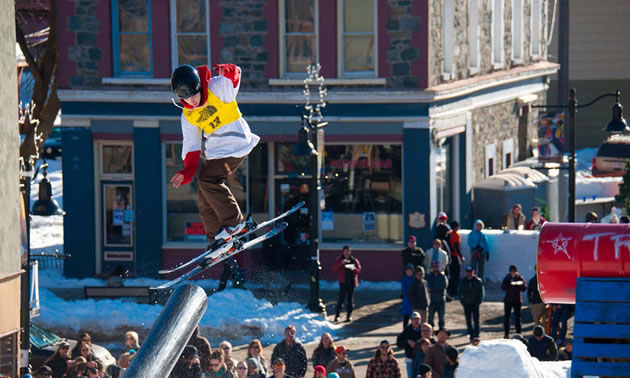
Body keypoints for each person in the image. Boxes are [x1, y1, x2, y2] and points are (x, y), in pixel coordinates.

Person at [169, 63, 259, 284]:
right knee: (204, 192)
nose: (192, 102)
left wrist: (226, 70)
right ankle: (216, 241)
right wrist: (186, 172)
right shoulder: (188, 115)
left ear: (200, 86)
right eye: (186, 100)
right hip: (216, 153)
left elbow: (236, 75)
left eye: (194, 96)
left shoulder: (218, 88)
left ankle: (235, 222)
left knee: (208, 180)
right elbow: (191, 147)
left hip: (237, 145)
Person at [333, 246, 361, 323]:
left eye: (348, 251)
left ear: (350, 252)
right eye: (345, 251)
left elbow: (358, 271)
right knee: (341, 299)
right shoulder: (339, 259)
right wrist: (341, 263)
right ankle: (337, 315)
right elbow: (335, 268)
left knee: (350, 300)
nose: (346, 253)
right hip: (343, 282)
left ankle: (349, 315)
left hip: (351, 282)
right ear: (343, 252)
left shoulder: (354, 260)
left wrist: (353, 268)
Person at [458, 265, 484, 340]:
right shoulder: (463, 281)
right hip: (466, 303)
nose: (469, 274)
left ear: (473, 272)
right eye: (468, 272)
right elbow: (459, 292)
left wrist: (479, 302)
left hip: (475, 303)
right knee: (468, 319)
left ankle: (477, 333)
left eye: (470, 272)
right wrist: (462, 301)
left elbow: (481, 292)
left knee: (476, 319)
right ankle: (470, 332)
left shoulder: (477, 281)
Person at [502, 265, 527, 338]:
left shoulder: (519, 278)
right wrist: (508, 283)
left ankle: (518, 333)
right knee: (507, 317)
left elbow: (524, 288)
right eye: (511, 271)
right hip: (508, 300)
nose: (513, 273)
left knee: (518, 317)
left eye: (514, 271)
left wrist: (518, 283)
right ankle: (506, 334)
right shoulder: (507, 278)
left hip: (517, 300)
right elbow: (503, 287)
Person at [397, 312, 422, 378]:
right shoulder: (407, 330)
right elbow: (399, 344)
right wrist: (407, 341)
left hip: (422, 359)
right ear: (411, 320)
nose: (416, 321)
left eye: (418, 319)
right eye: (414, 319)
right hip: (410, 360)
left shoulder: (424, 329)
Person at [427, 261, 448, 329]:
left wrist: (435, 287)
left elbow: (444, 285)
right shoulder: (429, 276)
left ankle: (441, 333)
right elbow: (428, 287)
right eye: (434, 266)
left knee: (441, 319)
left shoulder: (442, 276)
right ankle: (430, 333)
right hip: (432, 300)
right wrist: (437, 287)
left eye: (437, 266)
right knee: (430, 319)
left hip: (441, 300)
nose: (435, 268)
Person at [447, 221, 463, 297]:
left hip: (450, 255)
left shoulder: (449, 234)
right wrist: (461, 256)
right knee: (456, 273)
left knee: (451, 273)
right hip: (455, 255)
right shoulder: (456, 235)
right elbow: (456, 246)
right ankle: (454, 290)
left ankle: (450, 289)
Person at [401, 264, 415, 328]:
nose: (409, 272)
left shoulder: (414, 279)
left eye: (410, 271)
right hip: (406, 301)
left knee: (414, 318)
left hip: (413, 301)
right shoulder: (404, 279)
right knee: (406, 318)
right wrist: (410, 292)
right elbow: (404, 289)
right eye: (408, 271)